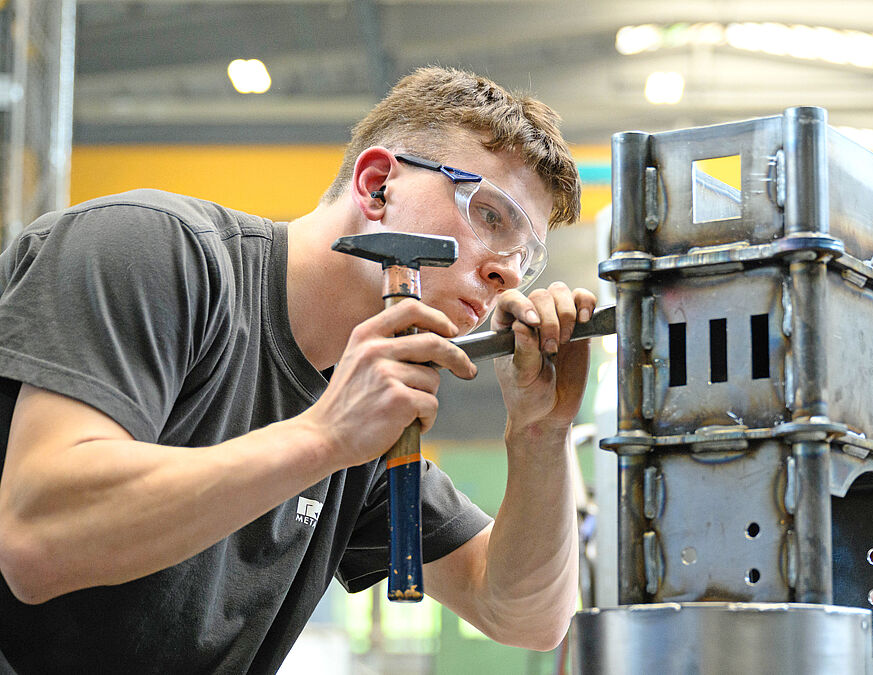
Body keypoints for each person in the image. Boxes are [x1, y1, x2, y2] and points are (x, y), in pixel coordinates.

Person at [0, 66, 595, 673]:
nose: (509, 274)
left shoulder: (370, 416)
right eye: (491, 216)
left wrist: (540, 435)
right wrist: (325, 437)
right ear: (377, 185)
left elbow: (524, 615)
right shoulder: (150, 252)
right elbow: (38, 535)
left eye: (528, 256)